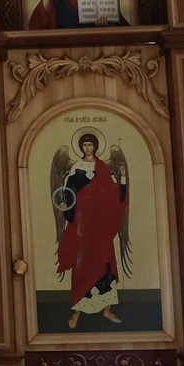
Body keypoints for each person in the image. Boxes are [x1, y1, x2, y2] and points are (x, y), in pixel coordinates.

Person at [54, 131, 127, 327]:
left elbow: (113, 194)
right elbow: (68, 194)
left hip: (100, 224)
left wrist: (123, 179)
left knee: (105, 264)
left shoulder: (102, 167)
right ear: (81, 147)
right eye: (84, 145)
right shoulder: (76, 168)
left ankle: (107, 310)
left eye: (90, 145)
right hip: (82, 225)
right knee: (82, 265)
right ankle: (76, 313)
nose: (87, 148)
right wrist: (65, 209)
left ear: (95, 146)